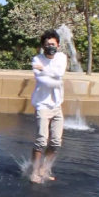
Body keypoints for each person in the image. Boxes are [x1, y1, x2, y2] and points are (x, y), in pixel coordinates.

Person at [30, 29, 67, 183]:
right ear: (43, 46)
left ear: (58, 45)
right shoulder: (36, 59)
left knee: (56, 141)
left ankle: (44, 169)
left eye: (53, 44)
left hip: (57, 105)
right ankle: (34, 171)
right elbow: (45, 81)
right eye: (47, 44)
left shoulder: (61, 57)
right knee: (41, 140)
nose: (50, 46)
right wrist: (55, 78)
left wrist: (45, 70)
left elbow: (59, 73)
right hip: (42, 105)